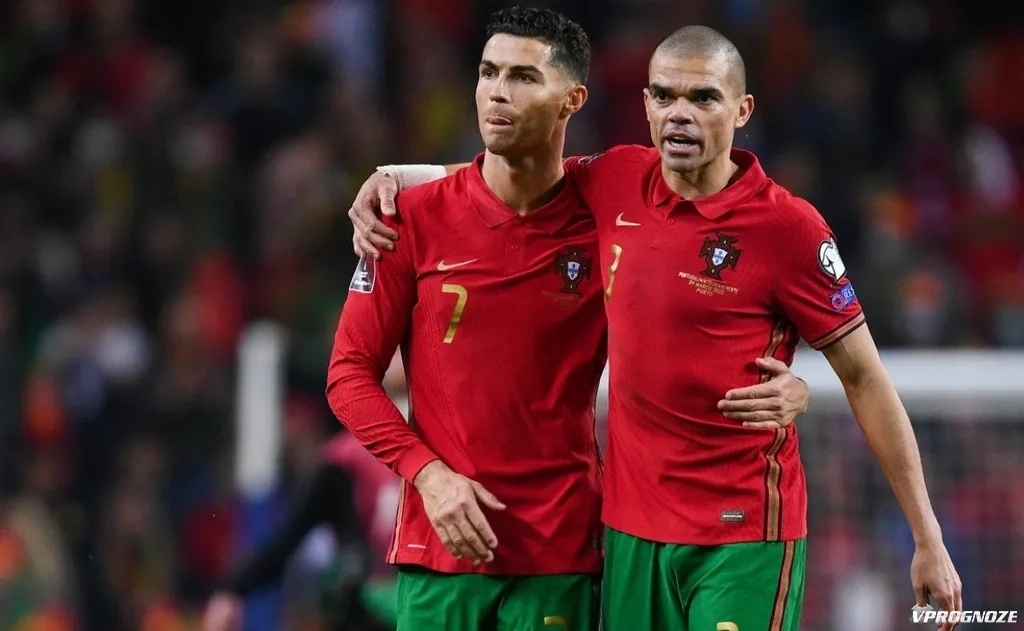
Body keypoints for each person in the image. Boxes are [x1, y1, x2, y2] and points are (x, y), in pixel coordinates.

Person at [348, 24, 963, 631]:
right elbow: (516, 165)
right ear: (644, 104)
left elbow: (865, 377)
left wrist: (927, 535)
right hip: (631, 533)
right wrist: (396, 176)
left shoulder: (790, 229)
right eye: (664, 95)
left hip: (741, 529)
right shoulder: (615, 180)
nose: (679, 114)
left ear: (743, 109)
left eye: (703, 98)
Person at [200, 431, 399, 631]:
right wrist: (233, 589)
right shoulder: (344, 464)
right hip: (375, 604)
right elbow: (288, 536)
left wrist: (232, 590)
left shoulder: (348, 459)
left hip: (395, 601)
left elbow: (288, 536)